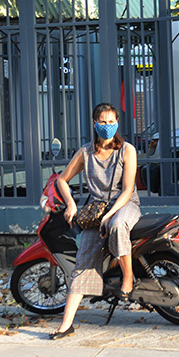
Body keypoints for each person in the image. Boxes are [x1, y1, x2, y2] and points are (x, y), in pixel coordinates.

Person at [50, 102, 141, 340]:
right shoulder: (85, 153)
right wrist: (71, 203)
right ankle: (66, 325)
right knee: (83, 262)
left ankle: (128, 279)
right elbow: (62, 179)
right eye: (103, 122)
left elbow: (128, 189)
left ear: (117, 123)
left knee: (118, 224)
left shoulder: (127, 150)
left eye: (112, 122)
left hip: (125, 205)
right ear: (94, 123)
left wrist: (110, 215)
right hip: (96, 211)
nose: (108, 126)